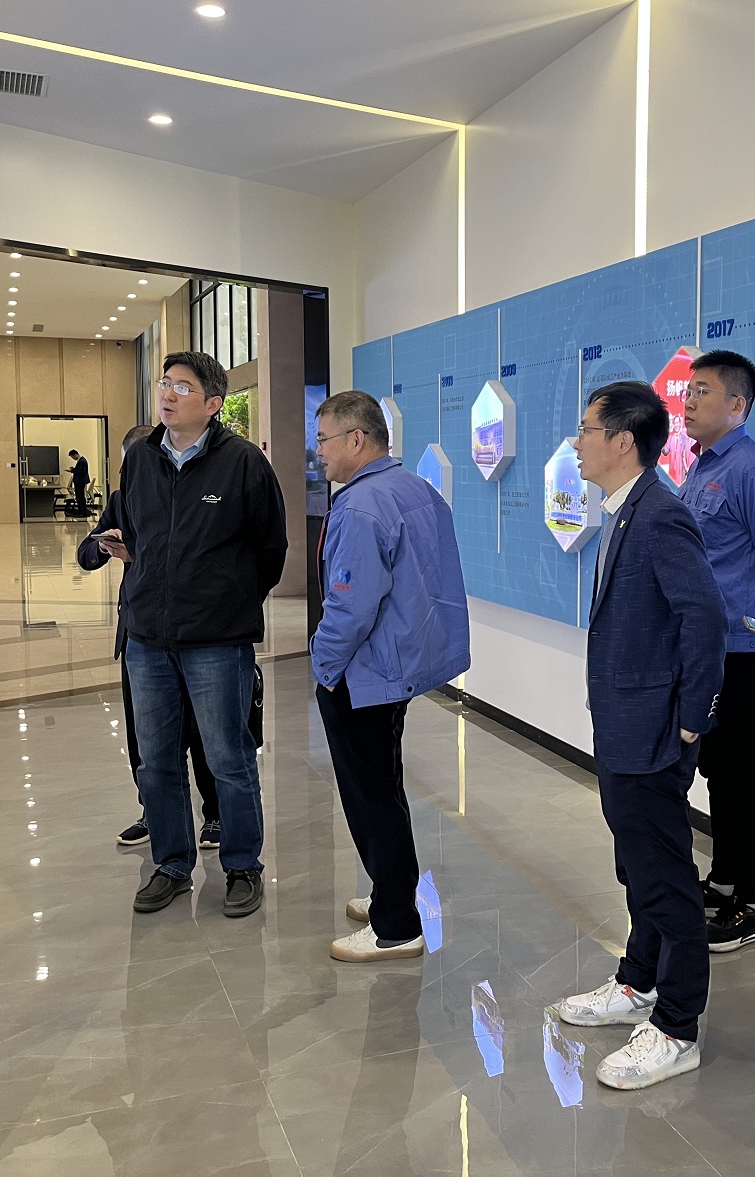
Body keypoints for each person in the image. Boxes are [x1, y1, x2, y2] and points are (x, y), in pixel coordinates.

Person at [554, 380, 727, 1091]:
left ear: (623, 440)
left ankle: (678, 1026)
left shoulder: (659, 514)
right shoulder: (627, 510)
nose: (576, 443)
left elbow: (704, 618)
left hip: (654, 731)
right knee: (638, 865)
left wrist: (691, 717)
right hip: (626, 724)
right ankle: (639, 981)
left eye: (586, 430)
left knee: (664, 877)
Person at [114, 351, 288, 917]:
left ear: (213, 404)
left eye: (183, 387)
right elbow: (135, 536)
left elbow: (271, 549)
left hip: (217, 641)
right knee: (156, 760)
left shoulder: (243, 463)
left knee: (228, 758)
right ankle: (171, 864)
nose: (168, 394)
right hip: (147, 638)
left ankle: (242, 866)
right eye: (165, 383)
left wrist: (228, 603)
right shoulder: (141, 459)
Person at [309, 391, 471, 963]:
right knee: (385, 784)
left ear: (357, 439)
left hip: (363, 674)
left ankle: (396, 926)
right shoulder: (415, 489)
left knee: (370, 795)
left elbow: (350, 606)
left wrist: (324, 665)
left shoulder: (360, 505)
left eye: (324, 439)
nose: (318, 451)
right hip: (395, 668)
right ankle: (391, 893)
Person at [677, 349, 755, 952]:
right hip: (707, 645)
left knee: (740, 770)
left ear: (737, 404)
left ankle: (749, 901)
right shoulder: (701, 466)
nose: (689, 401)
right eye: (689, 391)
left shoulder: (753, 469)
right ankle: (724, 878)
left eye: (702, 391)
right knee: (718, 768)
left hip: (741, 648)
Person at [76, 425, 221, 851]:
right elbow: (86, 553)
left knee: (201, 730)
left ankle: (215, 812)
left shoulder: (191, 494)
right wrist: (104, 545)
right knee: (146, 736)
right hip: (140, 634)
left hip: (193, 632)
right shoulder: (122, 499)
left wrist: (137, 553)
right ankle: (154, 811)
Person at [68, 448, 91, 516]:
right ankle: (81, 511)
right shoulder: (81, 460)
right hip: (79, 481)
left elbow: (81, 472)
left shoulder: (82, 461)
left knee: (80, 497)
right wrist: (74, 469)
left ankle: (82, 512)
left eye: (72, 457)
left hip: (80, 481)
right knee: (79, 497)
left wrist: (72, 470)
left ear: (75, 455)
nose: (73, 458)